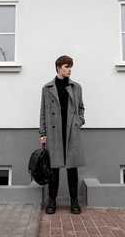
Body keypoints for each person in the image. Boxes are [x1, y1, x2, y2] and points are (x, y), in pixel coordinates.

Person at [39, 55, 85, 214]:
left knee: (72, 169)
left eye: (71, 66)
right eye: (67, 66)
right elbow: (43, 113)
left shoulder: (76, 87)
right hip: (54, 132)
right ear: (59, 68)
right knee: (54, 170)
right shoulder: (47, 88)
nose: (70, 69)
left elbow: (81, 108)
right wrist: (43, 132)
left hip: (71, 131)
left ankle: (74, 201)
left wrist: (79, 121)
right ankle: (52, 201)